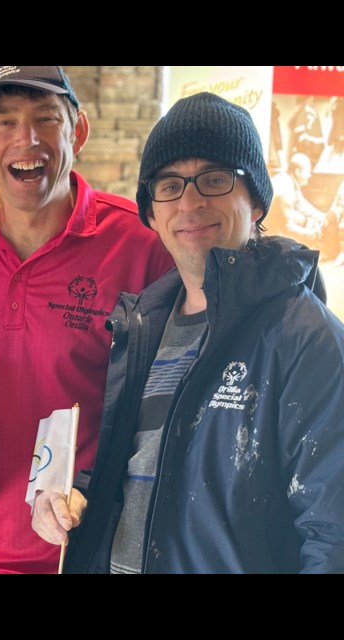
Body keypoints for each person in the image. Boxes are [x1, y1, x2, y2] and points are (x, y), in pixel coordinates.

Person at [34, 92, 344, 573]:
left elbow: (333, 533)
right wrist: (77, 498)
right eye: (170, 185)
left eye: (215, 179)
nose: (191, 202)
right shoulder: (143, 326)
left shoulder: (305, 338)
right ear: (151, 214)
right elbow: (143, 471)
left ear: (256, 200)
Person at [0, 66, 174, 573]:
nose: (26, 139)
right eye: (4, 122)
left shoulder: (140, 243)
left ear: (77, 131)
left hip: (85, 547)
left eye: (45, 118)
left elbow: (162, 405)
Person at [271, 152, 342, 263]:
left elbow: (303, 206)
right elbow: (288, 226)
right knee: (303, 220)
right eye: (308, 172)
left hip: (278, 230)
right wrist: (310, 233)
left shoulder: (290, 181)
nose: (310, 175)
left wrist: (324, 218)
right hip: (271, 235)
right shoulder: (284, 185)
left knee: (309, 220)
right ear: (298, 172)